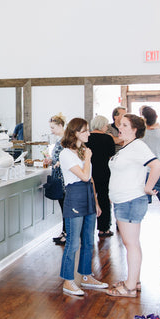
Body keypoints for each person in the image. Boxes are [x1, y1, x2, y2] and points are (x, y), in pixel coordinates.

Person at [105, 113, 160, 298]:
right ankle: (133, 280)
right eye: (119, 124)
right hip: (124, 201)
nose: (119, 128)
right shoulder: (127, 147)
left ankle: (129, 287)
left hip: (130, 201)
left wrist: (148, 187)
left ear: (135, 130)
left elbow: (157, 165)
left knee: (131, 244)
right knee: (132, 243)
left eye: (125, 125)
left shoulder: (138, 146)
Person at [57, 118, 108, 296]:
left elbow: (91, 179)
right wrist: (87, 158)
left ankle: (86, 275)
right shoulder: (66, 154)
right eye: (85, 131)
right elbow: (84, 176)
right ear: (75, 133)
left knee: (88, 240)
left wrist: (96, 201)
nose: (89, 133)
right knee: (72, 243)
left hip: (88, 196)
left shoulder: (82, 151)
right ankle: (68, 281)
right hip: (75, 196)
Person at [86, 115, 115, 237]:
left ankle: (87, 229)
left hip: (88, 172)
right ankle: (104, 229)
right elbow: (111, 157)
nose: (107, 127)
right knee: (104, 199)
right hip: (104, 172)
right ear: (101, 125)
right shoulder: (108, 139)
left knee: (89, 199)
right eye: (106, 125)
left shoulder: (86, 138)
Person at [43, 113, 67, 245]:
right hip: (58, 176)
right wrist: (51, 160)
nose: (51, 130)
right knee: (63, 206)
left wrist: (55, 162)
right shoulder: (60, 140)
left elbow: (64, 159)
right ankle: (64, 232)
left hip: (62, 179)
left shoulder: (65, 140)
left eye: (53, 128)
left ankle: (66, 233)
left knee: (65, 206)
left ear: (60, 126)